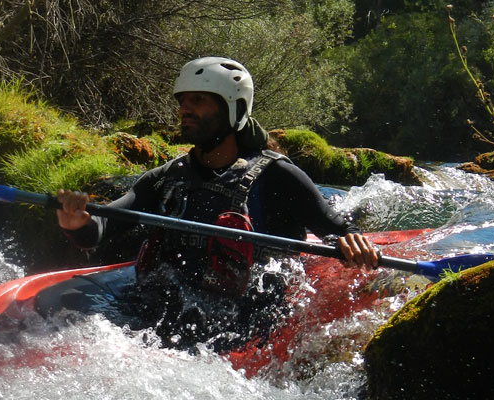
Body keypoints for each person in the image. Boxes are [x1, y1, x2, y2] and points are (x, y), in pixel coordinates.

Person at [35, 57, 378, 351]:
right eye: (183, 101)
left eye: (198, 100)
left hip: (245, 323)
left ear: (233, 109)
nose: (185, 109)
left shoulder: (278, 176)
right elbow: (101, 228)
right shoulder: (166, 178)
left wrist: (350, 240)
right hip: (169, 311)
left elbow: (336, 228)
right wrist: (75, 223)